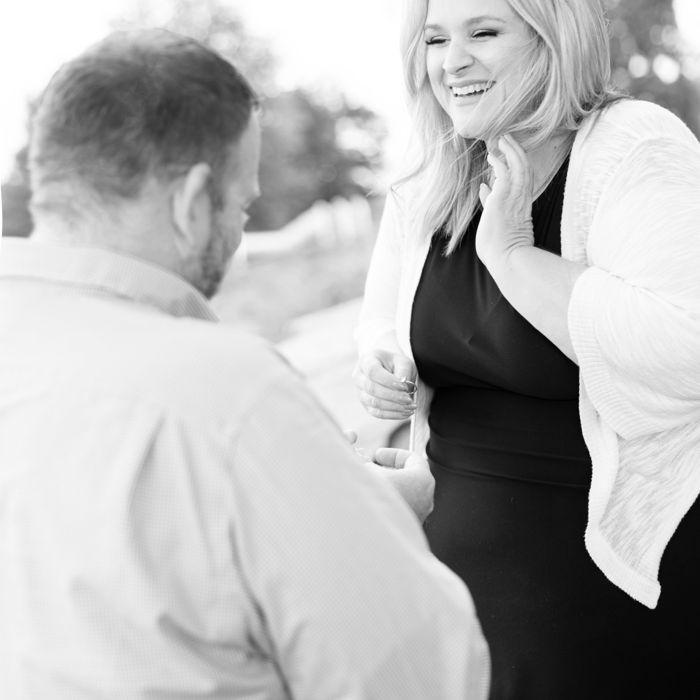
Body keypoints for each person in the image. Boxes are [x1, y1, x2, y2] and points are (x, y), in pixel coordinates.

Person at [0, 30, 491, 699]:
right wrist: (370, 520)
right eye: (242, 205)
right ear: (193, 202)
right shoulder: (232, 401)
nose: (238, 233)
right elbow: (423, 674)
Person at [354, 0, 700, 697]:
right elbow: (382, 324)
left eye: (484, 32)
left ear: (552, 41)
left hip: (592, 598)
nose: (453, 62)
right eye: (435, 40)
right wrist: (379, 366)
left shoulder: (635, 143)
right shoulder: (429, 175)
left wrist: (513, 256)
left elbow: (685, 351)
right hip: (451, 583)